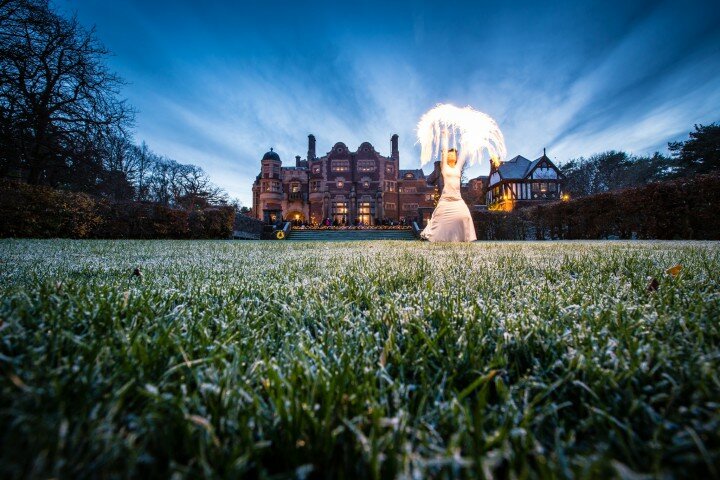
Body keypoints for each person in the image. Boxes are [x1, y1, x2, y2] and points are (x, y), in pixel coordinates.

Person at [420, 148, 477, 242]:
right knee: (437, 217)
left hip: (457, 199)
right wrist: (444, 135)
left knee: (465, 216)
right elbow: (443, 152)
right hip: (446, 198)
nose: (452, 156)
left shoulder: (458, 167)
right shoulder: (444, 167)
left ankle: (464, 238)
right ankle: (428, 234)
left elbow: (463, 155)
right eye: (449, 154)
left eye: (454, 154)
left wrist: (467, 143)